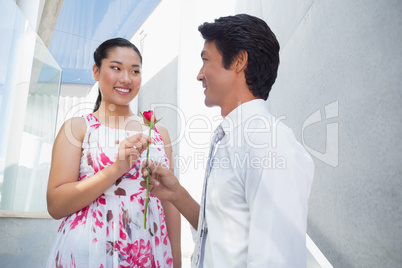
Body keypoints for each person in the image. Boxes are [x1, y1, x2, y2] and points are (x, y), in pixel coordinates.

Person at [141, 14, 314, 267]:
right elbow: (223, 235)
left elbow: (277, 260)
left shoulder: (267, 143)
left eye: (205, 60)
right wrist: (176, 195)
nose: (199, 75)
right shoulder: (233, 137)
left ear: (239, 62)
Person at [46, 38, 181, 267]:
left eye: (134, 71)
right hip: (89, 251)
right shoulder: (78, 128)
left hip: (148, 249)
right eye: (116, 68)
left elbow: (169, 200)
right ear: (96, 71)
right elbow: (56, 205)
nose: (126, 79)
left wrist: (176, 258)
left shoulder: (158, 132)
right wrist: (116, 168)